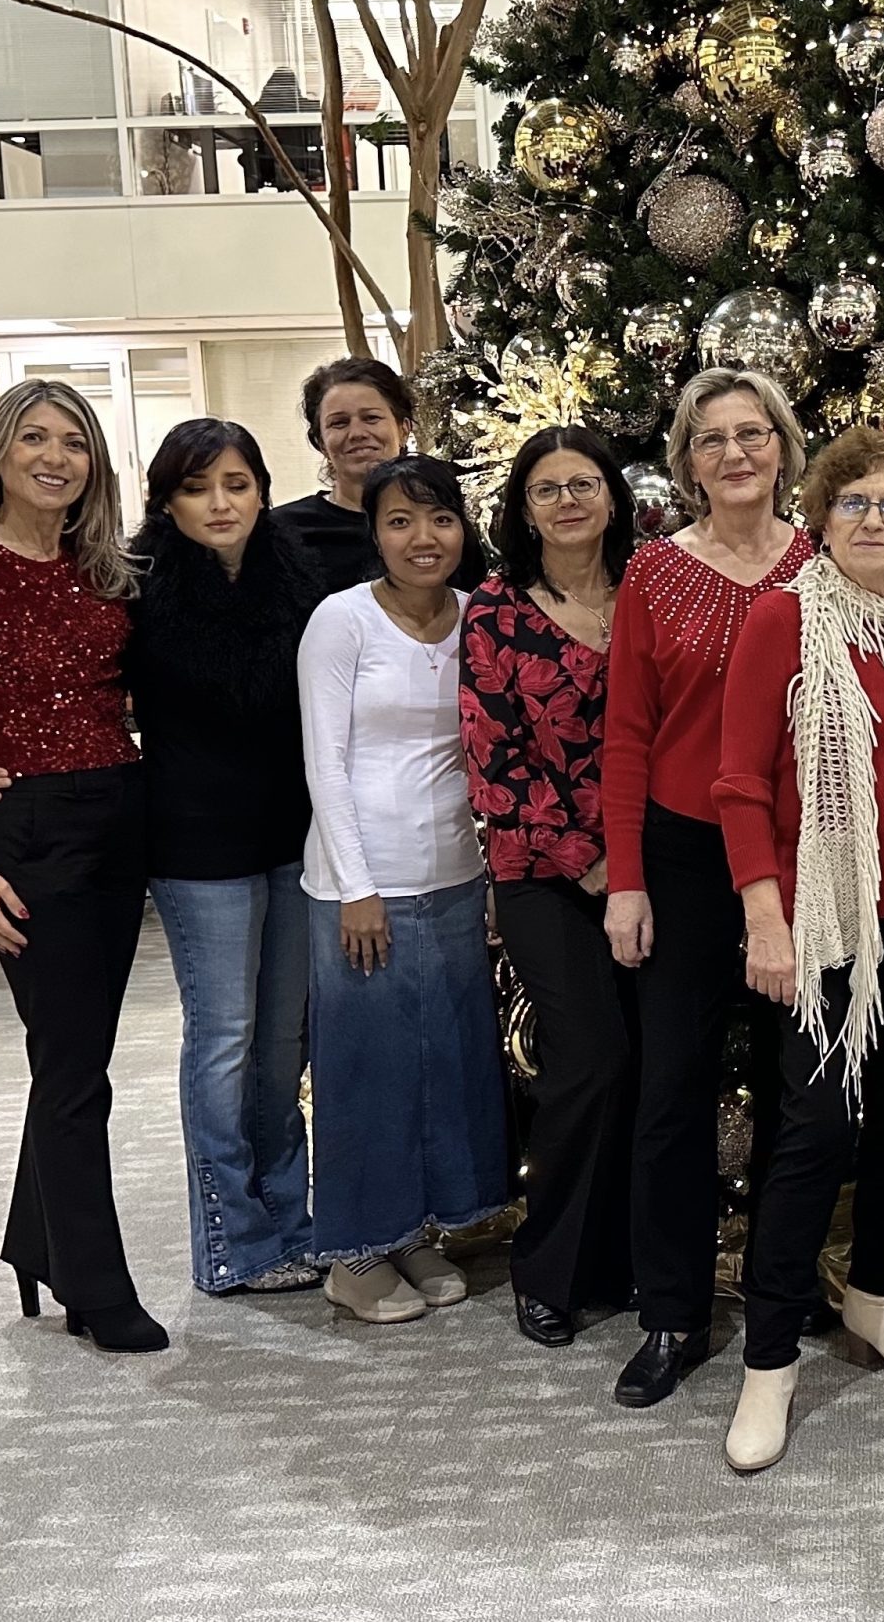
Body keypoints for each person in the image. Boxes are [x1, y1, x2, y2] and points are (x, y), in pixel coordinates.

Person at [0, 418, 329, 1299]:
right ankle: (233, 1241)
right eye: (200, 487)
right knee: (226, 1039)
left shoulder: (299, 576)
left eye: (237, 483)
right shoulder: (136, 583)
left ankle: (291, 1219)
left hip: (295, 836)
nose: (221, 502)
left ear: (262, 490)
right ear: (168, 500)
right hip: (193, 842)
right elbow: (50, 676)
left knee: (283, 1045)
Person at [712, 427, 884, 1475]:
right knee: (814, 1138)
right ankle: (771, 1363)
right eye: (856, 505)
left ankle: (879, 1303)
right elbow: (738, 782)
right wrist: (766, 917)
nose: (875, 522)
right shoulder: (784, 618)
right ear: (822, 518)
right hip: (827, 928)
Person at [0, 381, 164, 1352]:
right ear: (0, 453)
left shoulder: (107, 570)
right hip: (28, 830)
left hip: (117, 816)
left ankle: (34, 1238)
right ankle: (96, 1287)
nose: (55, 456)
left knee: (73, 1052)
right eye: (34, 438)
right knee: (73, 1068)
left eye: (75, 442)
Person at [599, 368, 813, 1411]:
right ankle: (672, 1310)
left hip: (801, 861)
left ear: (782, 446)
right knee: (672, 1090)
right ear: (686, 463)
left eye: (752, 433)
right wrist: (626, 881)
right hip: (685, 860)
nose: (735, 453)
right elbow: (629, 736)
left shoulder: (825, 568)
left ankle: (782, 1286)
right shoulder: (652, 575)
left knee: (797, 1086)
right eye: (711, 439)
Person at [298, 454, 510, 1324]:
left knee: (443, 1063)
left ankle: (413, 1232)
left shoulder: (478, 616)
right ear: (374, 533)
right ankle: (353, 1256)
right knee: (366, 1071)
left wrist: (495, 871)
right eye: (399, 521)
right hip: (363, 882)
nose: (423, 539)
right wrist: (357, 886)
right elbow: (326, 760)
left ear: (464, 529)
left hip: (454, 876)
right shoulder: (340, 622)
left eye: (440, 520)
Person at [458, 425, 636, 1348]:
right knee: (590, 1062)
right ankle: (552, 1269)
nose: (567, 501)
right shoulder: (494, 611)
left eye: (583, 483)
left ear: (612, 495)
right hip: (544, 875)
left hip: (655, 870)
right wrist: (594, 865)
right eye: (546, 489)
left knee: (653, 1067)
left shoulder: (648, 591)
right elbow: (498, 766)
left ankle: (632, 1260)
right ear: (523, 509)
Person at [275, 355, 478, 592]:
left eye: (371, 418)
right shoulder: (285, 531)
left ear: (404, 429)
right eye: (339, 423)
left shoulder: (446, 527)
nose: (357, 433)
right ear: (320, 442)